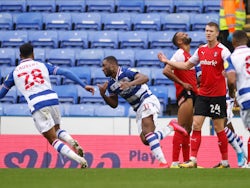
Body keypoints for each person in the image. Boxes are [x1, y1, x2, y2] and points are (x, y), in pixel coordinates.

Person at [0, 43, 95, 168]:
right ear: (33, 54)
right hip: (52, 99)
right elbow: (65, 72)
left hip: (37, 103)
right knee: (57, 130)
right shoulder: (42, 65)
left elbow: (1, 94)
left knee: (52, 139)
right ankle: (71, 141)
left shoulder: (14, 73)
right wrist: (83, 85)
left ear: (20, 56)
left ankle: (79, 160)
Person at [158, 22, 231, 168]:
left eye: (211, 31)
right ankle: (191, 160)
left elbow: (231, 68)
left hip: (217, 95)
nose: (208, 33)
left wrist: (227, 77)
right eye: (206, 31)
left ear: (217, 33)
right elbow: (185, 66)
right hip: (201, 94)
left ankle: (225, 162)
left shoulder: (223, 51)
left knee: (218, 128)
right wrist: (167, 61)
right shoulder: (200, 50)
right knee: (196, 125)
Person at [97, 56, 188, 168]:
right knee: (146, 140)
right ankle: (171, 127)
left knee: (148, 133)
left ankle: (163, 162)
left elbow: (145, 78)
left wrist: (129, 84)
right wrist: (103, 95)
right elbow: (114, 104)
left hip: (147, 99)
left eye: (104, 65)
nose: (102, 69)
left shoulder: (126, 72)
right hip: (138, 108)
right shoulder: (110, 85)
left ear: (112, 65)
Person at [162, 32, 198, 168]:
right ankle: (175, 162)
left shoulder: (189, 56)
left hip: (193, 93)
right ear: (179, 41)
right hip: (185, 93)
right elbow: (166, 70)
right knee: (181, 127)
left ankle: (186, 161)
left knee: (187, 129)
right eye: (182, 34)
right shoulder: (179, 53)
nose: (186, 34)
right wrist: (182, 84)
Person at [224, 30, 250, 168]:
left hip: (246, 96)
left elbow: (232, 78)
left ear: (233, 42)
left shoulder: (232, 58)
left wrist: (232, 94)